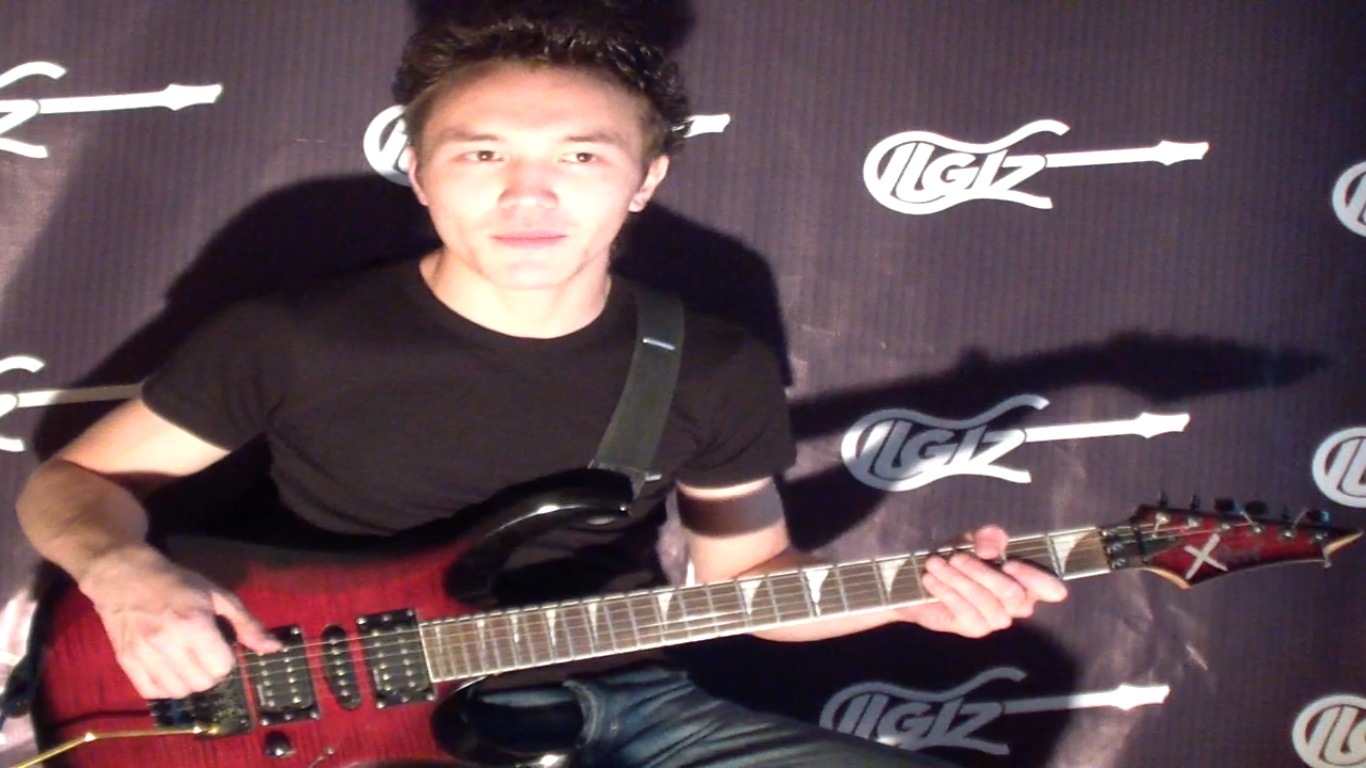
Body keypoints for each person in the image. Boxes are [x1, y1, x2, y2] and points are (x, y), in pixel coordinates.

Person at [15, 7, 1066, 767]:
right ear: (420, 172)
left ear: (644, 181)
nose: (528, 195)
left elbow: (747, 582)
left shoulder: (710, 360)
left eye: (580, 157)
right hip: (328, 712)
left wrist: (915, 596)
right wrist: (121, 572)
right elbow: (71, 487)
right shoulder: (294, 336)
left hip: (623, 698)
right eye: (481, 154)